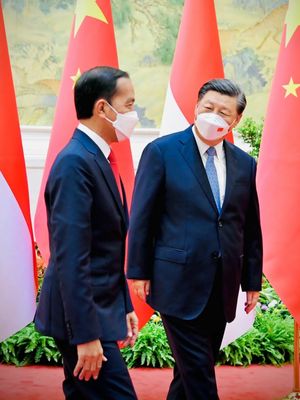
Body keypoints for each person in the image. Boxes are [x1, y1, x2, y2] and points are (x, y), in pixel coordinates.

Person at [127, 79, 263, 400]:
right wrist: (138, 271)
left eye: (223, 112)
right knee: (200, 375)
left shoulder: (245, 163)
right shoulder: (162, 152)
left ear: (236, 120)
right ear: (196, 107)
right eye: (209, 107)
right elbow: (143, 216)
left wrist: (252, 280)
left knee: (188, 374)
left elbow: (250, 226)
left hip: (222, 285)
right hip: (176, 281)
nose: (214, 116)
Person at [35, 66, 139, 400]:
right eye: (128, 105)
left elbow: (106, 247)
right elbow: (71, 257)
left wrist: (124, 304)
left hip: (98, 308)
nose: (132, 115)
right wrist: (85, 336)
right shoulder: (75, 163)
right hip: (79, 318)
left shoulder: (98, 157)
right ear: (102, 108)